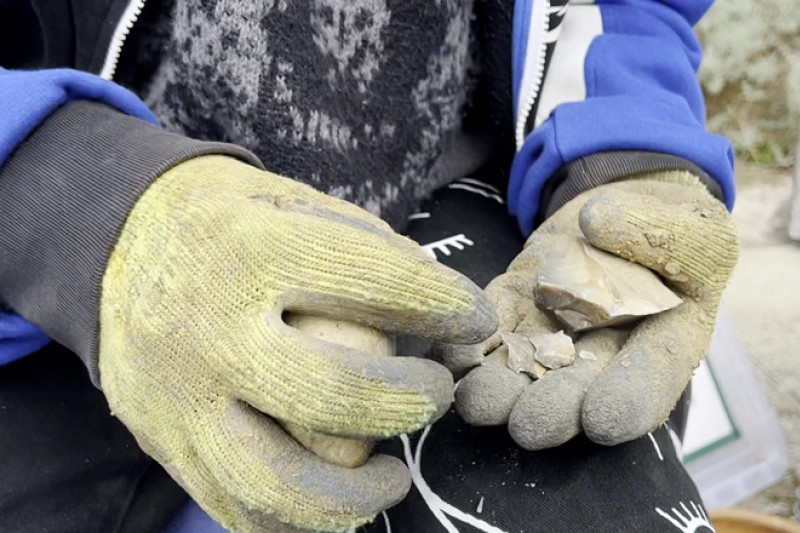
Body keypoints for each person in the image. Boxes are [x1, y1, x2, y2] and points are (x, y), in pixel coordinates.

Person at [0, 0, 739, 531]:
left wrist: (628, 145)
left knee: (578, 491)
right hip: (63, 223)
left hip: (456, 187)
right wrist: (70, 203)